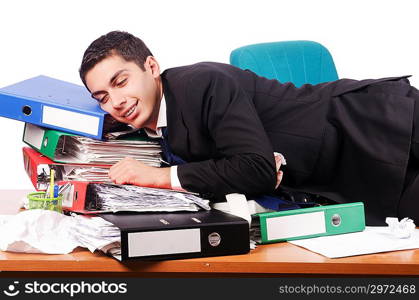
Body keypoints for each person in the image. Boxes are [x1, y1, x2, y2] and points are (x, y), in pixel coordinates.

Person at [79, 31, 419, 225]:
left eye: (121, 82)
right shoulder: (151, 132)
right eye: (103, 97)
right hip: (359, 177)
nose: (116, 102)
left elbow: (253, 169)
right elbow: (246, 171)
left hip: (378, 123)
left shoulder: (201, 83)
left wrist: (159, 178)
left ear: (151, 66)